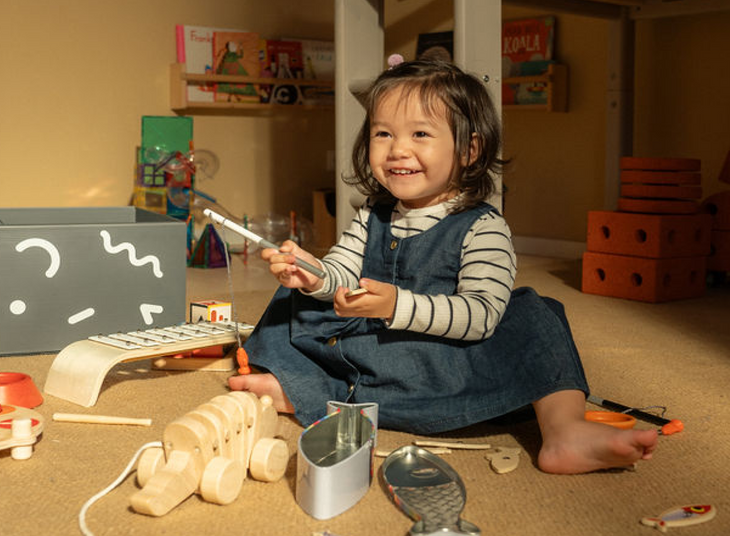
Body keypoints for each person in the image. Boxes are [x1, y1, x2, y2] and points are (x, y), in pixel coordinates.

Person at [229, 58, 657, 474]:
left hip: (441, 368)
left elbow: (480, 317)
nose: (398, 149)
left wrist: (396, 305)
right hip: (364, 351)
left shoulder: (483, 227)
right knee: (294, 297)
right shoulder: (371, 215)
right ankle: (305, 389)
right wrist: (313, 275)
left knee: (534, 312)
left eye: (420, 133)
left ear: (470, 149)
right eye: (383, 133)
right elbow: (341, 273)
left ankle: (565, 432)